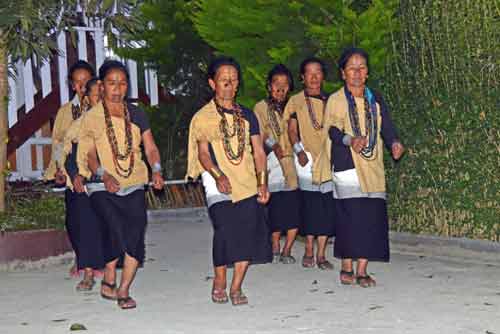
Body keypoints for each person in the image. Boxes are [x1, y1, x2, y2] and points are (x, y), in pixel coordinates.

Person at [77, 59, 164, 309]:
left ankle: (123, 289)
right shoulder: (92, 117)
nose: (117, 88)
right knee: (114, 227)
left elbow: (150, 147)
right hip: (102, 184)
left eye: (122, 83)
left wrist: (156, 170)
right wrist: (104, 175)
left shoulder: (136, 113)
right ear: (101, 86)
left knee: (135, 234)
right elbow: (90, 155)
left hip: (134, 180)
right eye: (111, 83)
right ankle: (109, 270)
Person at [186, 56, 272, 306]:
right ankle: (220, 279)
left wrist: (263, 182)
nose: (229, 85)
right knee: (224, 229)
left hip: (246, 179)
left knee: (246, 232)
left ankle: (236, 287)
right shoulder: (204, 117)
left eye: (234, 80)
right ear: (212, 83)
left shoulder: (247, 115)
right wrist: (217, 175)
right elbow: (202, 153)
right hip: (216, 179)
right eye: (224, 80)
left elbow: (258, 152)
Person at [321, 47, 404, 287]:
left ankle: (362, 270)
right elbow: (333, 131)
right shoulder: (337, 99)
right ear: (343, 73)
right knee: (350, 216)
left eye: (361, 67)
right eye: (351, 68)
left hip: (372, 163)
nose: (357, 72)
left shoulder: (374, 98)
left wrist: (395, 142)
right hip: (346, 163)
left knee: (370, 217)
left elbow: (386, 125)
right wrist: (351, 140)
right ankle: (347, 264)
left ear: (367, 72)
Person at [45, 60, 105, 291]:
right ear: (72, 85)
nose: (81, 86)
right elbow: (59, 143)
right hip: (72, 173)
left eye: (86, 81)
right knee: (75, 222)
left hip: (97, 175)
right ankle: (84, 259)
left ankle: (90, 271)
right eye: (77, 82)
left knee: (93, 221)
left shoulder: (102, 109)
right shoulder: (65, 112)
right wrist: (59, 169)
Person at [283, 57, 335, 270]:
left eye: (318, 72)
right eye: (309, 73)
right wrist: (299, 151)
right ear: (302, 77)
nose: (314, 77)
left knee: (325, 206)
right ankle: (309, 248)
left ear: (323, 75)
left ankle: (322, 254)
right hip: (306, 158)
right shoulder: (296, 101)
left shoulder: (331, 100)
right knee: (310, 205)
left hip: (328, 158)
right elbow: (292, 130)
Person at [253, 64, 300, 264]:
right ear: (269, 86)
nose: (280, 88)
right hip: (271, 163)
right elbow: (260, 133)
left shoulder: (295, 107)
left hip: (293, 164)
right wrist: (274, 146)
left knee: (293, 209)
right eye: (276, 84)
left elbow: (298, 132)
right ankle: (274, 244)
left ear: (290, 87)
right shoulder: (260, 107)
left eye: (285, 84)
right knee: (274, 209)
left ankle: (287, 249)